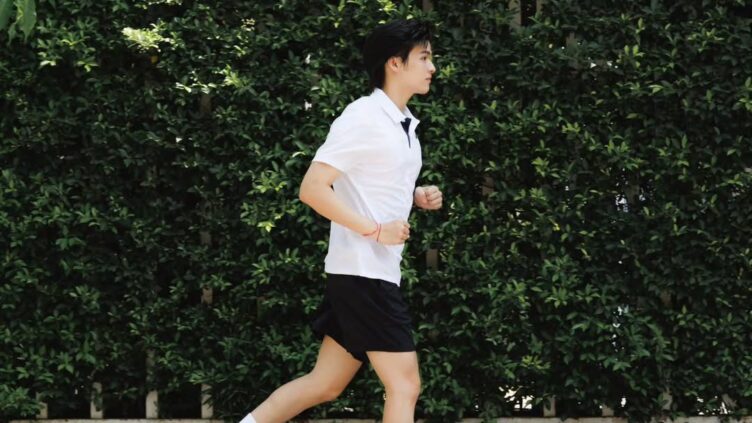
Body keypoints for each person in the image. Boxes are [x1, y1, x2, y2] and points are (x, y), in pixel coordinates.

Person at [239, 18, 442, 423]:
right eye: (424, 58)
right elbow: (312, 188)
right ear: (395, 63)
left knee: (325, 384)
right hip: (364, 273)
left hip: (368, 272)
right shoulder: (363, 116)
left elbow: (371, 181)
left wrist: (414, 195)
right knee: (404, 385)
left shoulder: (403, 123)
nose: (432, 67)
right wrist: (376, 230)